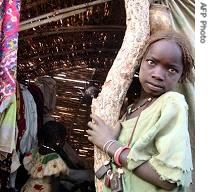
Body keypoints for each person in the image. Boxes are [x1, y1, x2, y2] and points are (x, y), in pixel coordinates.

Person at [87, 30, 194, 192]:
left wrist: (109, 144)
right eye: (151, 62)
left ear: (181, 76)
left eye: (171, 69)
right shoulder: (132, 108)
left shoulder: (172, 103)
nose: (158, 74)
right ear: (140, 62)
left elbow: (168, 179)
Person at [21, 121, 94, 192]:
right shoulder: (55, 159)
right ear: (57, 140)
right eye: (63, 140)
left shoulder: (33, 152)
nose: (64, 143)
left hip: (27, 188)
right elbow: (55, 186)